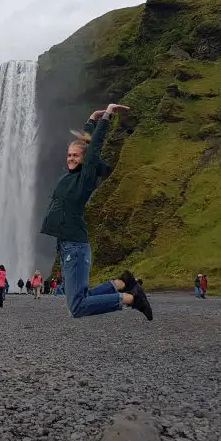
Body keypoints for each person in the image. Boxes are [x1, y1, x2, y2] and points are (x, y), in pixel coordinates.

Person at [39, 105, 152, 320]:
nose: (71, 158)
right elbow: (86, 145)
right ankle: (123, 283)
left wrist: (107, 116)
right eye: (69, 155)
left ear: (85, 159)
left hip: (76, 246)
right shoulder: (72, 176)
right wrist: (91, 120)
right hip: (66, 245)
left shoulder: (86, 178)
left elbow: (93, 150)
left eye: (76, 156)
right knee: (81, 298)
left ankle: (130, 298)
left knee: (77, 307)